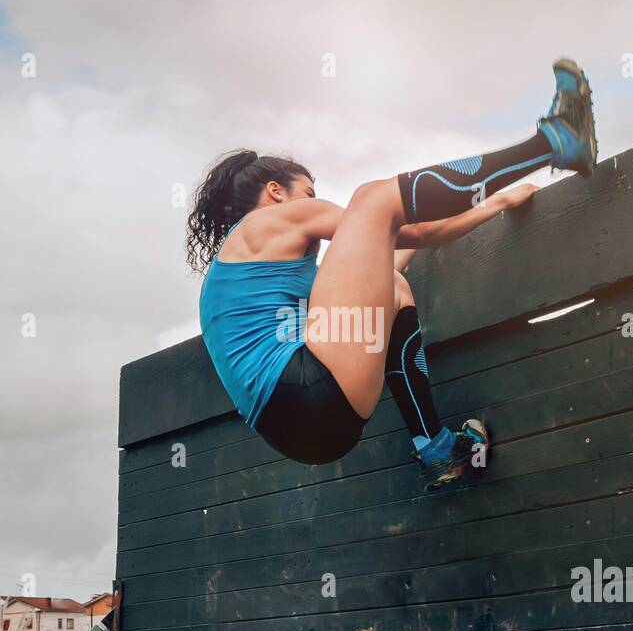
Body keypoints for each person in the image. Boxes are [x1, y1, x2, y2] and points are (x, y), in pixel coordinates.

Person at [190, 59, 596, 489]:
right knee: (372, 198)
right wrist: (484, 202)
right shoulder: (269, 223)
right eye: (309, 193)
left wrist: (494, 206)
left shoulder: (244, 276)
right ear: (276, 191)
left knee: (394, 284)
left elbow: (399, 249)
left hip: (307, 433)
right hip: (308, 387)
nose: (315, 201)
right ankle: (553, 141)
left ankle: (437, 449)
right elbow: (406, 223)